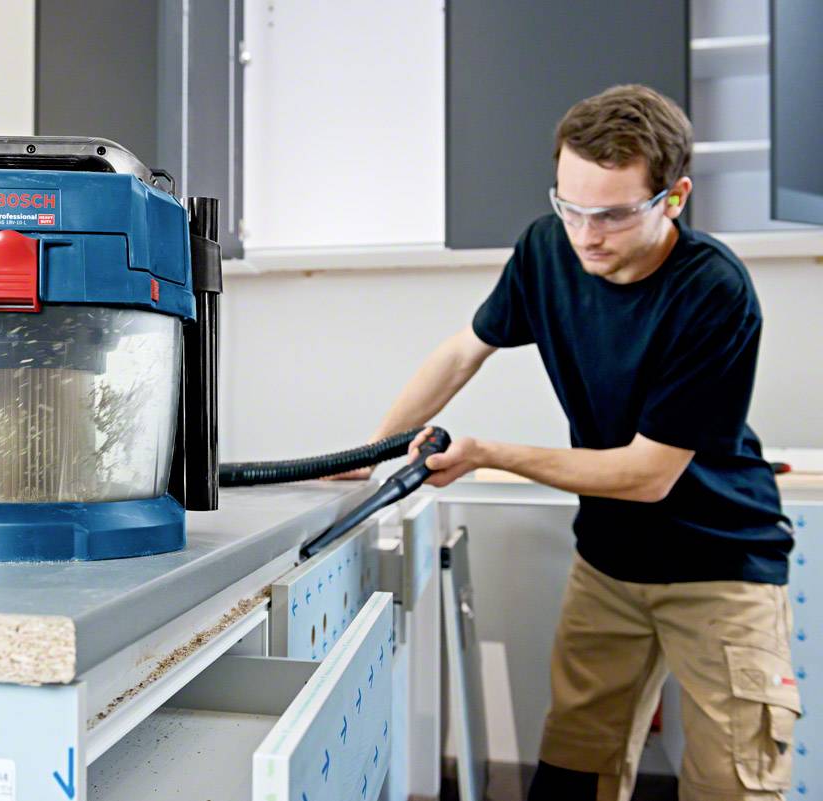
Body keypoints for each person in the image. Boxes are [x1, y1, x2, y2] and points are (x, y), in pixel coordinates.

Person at [340, 84, 798, 800]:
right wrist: (369, 451)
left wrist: (490, 452)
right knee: (571, 775)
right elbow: (465, 350)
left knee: (733, 784)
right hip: (610, 561)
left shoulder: (714, 292)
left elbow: (648, 474)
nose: (586, 235)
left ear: (673, 198)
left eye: (612, 214)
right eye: (570, 205)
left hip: (718, 564)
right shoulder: (547, 249)